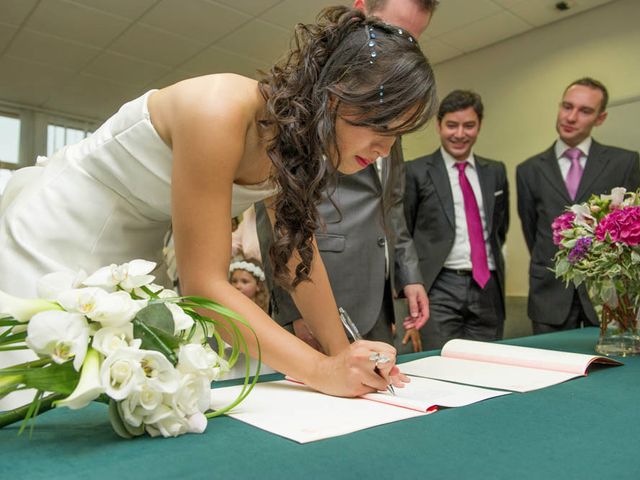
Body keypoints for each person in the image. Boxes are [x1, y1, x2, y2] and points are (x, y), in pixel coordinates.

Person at [0, 6, 437, 410]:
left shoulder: (292, 141)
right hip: (59, 229)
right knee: (40, 392)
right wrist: (320, 370)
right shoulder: (219, 109)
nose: (385, 149)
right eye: (382, 127)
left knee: (133, 393)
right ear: (335, 95)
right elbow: (204, 287)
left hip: (134, 255)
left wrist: (343, 354)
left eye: (398, 135)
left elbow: (297, 253)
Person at [256, 0, 438, 355]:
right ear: (360, 14)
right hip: (313, 279)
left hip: (376, 291)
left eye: (413, 39)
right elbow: (278, 215)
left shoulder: (387, 121)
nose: (402, 47)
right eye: (393, 30)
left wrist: (408, 274)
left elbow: (391, 203)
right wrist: (295, 308)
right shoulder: (292, 120)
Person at [517, 77, 640, 334]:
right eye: (567, 106)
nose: (571, 117)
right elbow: (532, 231)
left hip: (608, 296)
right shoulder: (529, 170)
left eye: (584, 111)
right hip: (549, 296)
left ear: (600, 118)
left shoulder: (625, 163)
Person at [404, 90, 509, 350]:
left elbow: (500, 227)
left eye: (468, 125)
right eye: (452, 125)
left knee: (489, 363)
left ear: (479, 126)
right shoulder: (415, 171)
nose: (460, 134)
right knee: (440, 362)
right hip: (439, 286)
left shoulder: (495, 171)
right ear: (439, 125)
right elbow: (403, 233)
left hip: (488, 286)